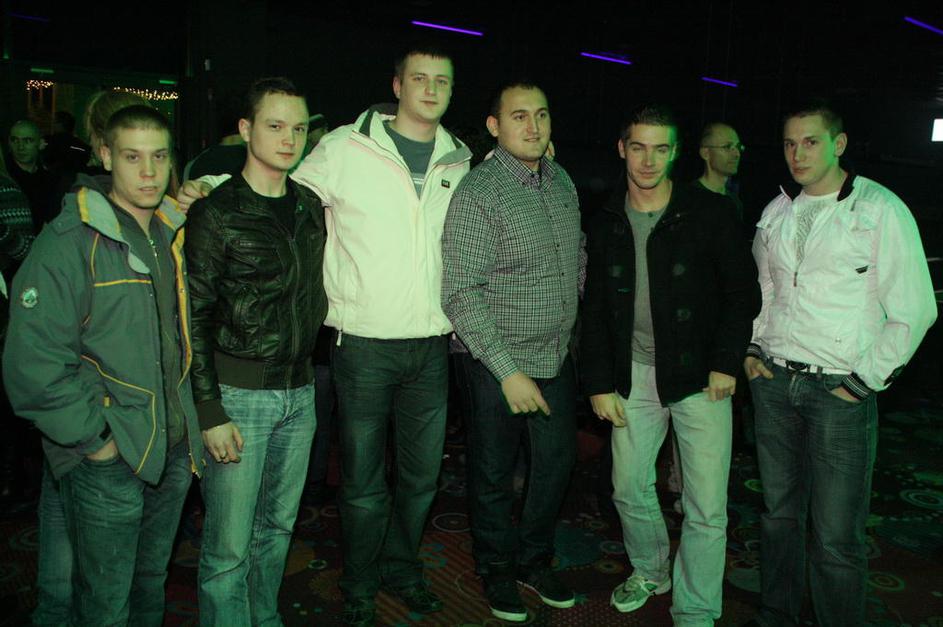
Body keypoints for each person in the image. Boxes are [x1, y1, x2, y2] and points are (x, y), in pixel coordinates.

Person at [179, 45, 472, 626]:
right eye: (419, 78)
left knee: (420, 480)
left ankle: (401, 568)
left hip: (430, 347)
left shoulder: (460, 160)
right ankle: (359, 584)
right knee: (361, 484)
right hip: (359, 346)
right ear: (397, 85)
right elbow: (278, 180)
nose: (431, 89)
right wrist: (210, 183)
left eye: (442, 80)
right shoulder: (345, 147)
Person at [2, 105, 202, 626]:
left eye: (159, 157)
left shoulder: (169, 232)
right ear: (106, 156)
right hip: (109, 455)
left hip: (171, 447)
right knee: (105, 602)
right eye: (133, 157)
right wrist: (96, 440)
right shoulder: (69, 240)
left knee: (149, 586)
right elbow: (32, 363)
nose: (149, 172)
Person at [744, 99, 937, 627]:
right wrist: (754, 348)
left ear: (839, 144)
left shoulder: (879, 209)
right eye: (790, 143)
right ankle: (777, 615)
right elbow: (764, 288)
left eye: (811, 142)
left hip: (839, 393)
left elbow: (915, 309)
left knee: (836, 536)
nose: (798, 154)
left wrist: (862, 382)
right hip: (775, 381)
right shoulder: (777, 210)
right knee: (778, 518)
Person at [581, 104, 760, 625]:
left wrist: (726, 362)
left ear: (676, 153)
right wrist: (598, 381)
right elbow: (595, 310)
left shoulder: (710, 212)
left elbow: (742, 295)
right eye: (638, 147)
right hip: (633, 374)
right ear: (622, 149)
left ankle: (696, 610)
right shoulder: (607, 218)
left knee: (706, 506)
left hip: (701, 378)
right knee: (627, 487)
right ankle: (651, 569)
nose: (648, 160)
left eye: (660, 149)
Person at [184, 77, 327, 627]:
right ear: (246, 129)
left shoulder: (309, 205)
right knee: (228, 549)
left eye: (299, 128)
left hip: (300, 391)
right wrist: (209, 409)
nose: (289, 139)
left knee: (278, 532)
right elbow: (193, 318)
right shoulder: (216, 212)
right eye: (275, 126)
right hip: (238, 397)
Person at [441, 81, 582, 622]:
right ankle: (496, 568)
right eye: (519, 116)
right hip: (491, 361)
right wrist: (506, 371)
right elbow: (460, 292)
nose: (533, 125)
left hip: (554, 355)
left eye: (541, 115)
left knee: (555, 464)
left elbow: (577, 255)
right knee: (494, 473)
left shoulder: (561, 180)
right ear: (494, 126)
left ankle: (533, 560)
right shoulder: (479, 192)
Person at [6, 120, 55, 231]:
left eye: (27, 140)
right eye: (15, 140)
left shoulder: (50, 180)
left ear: (40, 143)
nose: (20, 147)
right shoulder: (4, 178)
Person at [695, 121, 744, 218]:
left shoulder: (734, 202)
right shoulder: (690, 199)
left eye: (738, 147)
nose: (737, 154)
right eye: (727, 147)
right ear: (706, 153)